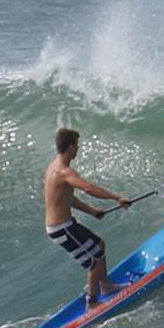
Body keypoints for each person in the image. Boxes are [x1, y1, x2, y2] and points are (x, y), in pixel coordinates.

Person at [44, 128, 134, 307]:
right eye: (77, 145)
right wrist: (117, 197)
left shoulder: (52, 167)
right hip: (61, 228)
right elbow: (88, 188)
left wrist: (91, 211)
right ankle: (92, 301)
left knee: (99, 245)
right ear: (70, 147)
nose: (78, 148)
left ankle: (106, 286)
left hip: (66, 225)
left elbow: (67, 198)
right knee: (95, 259)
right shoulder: (64, 172)